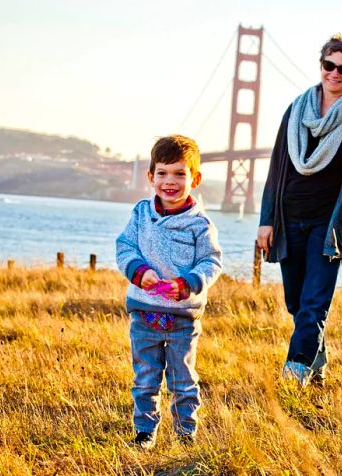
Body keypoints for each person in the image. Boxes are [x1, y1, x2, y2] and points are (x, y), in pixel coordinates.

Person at [257, 34, 342, 388]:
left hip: (328, 223)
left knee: (314, 303)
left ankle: (295, 372)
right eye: (329, 65)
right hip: (289, 218)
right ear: (321, 66)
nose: (335, 73)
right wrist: (266, 220)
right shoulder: (296, 110)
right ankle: (316, 362)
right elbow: (276, 167)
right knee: (295, 302)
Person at [116, 134, 222, 449]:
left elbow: (210, 262)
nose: (170, 181)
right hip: (145, 311)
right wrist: (139, 271)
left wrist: (187, 282)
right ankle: (145, 432)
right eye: (162, 173)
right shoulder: (140, 213)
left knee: (182, 379)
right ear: (151, 177)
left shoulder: (200, 225)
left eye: (179, 173)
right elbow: (125, 247)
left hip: (182, 316)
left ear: (195, 178)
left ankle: (185, 433)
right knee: (145, 377)